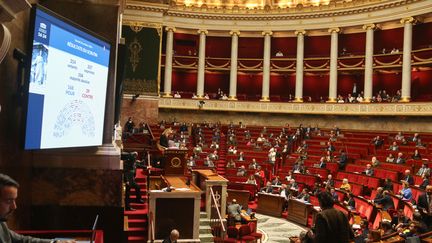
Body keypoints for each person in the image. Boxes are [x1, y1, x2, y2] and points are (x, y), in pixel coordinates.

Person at [0, 173, 76, 243]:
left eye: (14, 200)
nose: (14, 206)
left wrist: (55, 242)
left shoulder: (1, 222)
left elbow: (21, 240)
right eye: (9, 201)